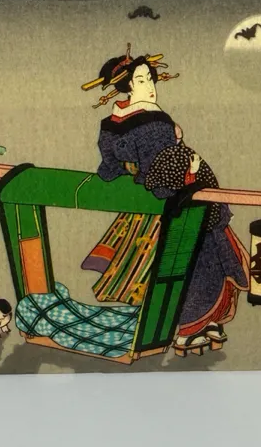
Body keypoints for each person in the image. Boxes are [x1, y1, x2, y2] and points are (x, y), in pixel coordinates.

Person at [81, 45, 249, 357]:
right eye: (141, 80)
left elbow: (108, 169)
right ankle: (190, 329)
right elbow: (161, 169)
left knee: (191, 258)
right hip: (173, 199)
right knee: (201, 254)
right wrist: (190, 171)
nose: (150, 86)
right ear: (127, 85)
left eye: (150, 79)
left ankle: (201, 324)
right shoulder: (155, 121)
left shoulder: (111, 123)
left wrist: (139, 173)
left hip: (148, 202)